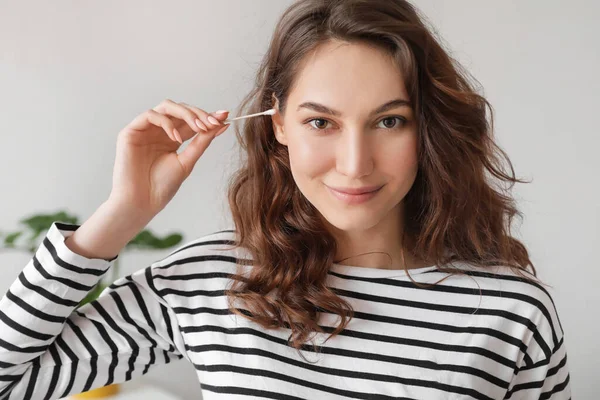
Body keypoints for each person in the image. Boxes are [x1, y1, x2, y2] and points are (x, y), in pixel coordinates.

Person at [0, 0, 572, 399]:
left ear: (428, 128)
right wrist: (121, 216)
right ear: (278, 124)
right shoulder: (210, 278)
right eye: (321, 121)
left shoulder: (510, 311)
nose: (354, 163)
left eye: (389, 121)